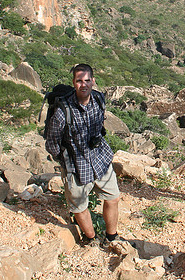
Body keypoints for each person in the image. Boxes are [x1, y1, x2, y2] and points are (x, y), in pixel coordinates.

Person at [45, 64, 121, 246]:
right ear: (73, 83)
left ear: (93, 81)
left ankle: (112, 237)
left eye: (87, 80)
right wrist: (64, 160)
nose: (83, 84)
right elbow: (51, 142)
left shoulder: (98, 99)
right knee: (79, 207)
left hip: (100, 158)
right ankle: (91, 238)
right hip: (76, 165)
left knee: (113, 197)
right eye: (79, 81)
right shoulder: (63, 112)